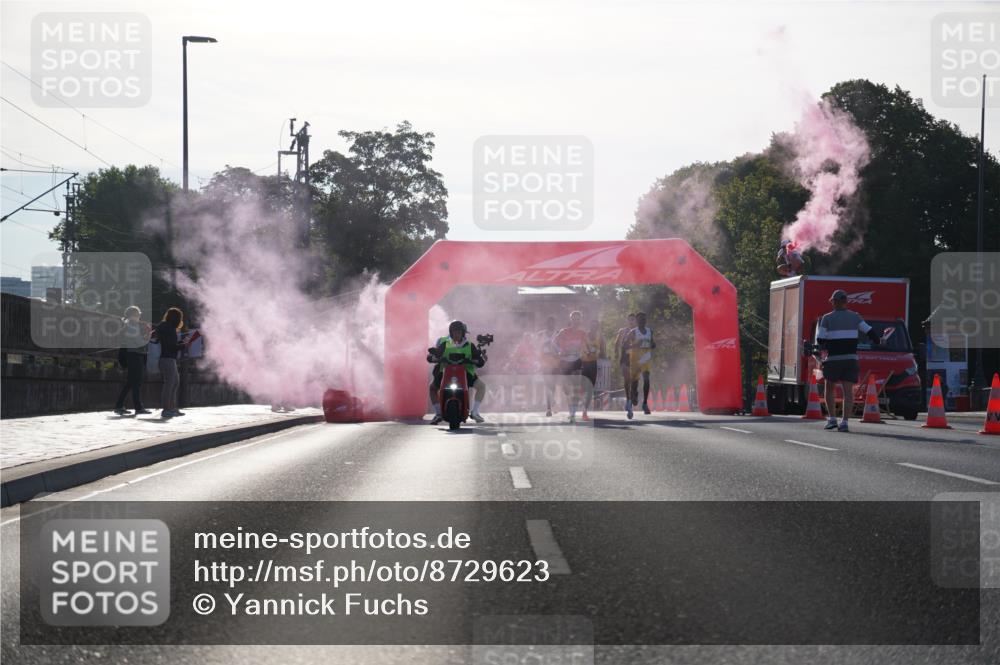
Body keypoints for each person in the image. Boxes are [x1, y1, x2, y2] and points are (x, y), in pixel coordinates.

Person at [817, 289, 882, 432]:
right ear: (846, 302)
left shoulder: (826, 318)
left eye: (833, 301)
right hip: (850, 359)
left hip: (833, 359)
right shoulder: (855, 317)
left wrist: (825, 344)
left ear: (834, 302)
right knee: (848, 391)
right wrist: (878, 340)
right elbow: (869, 331)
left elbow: (820, 339)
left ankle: (832, 419)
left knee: (829, 389)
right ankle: (845, 422)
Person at [428, 320, 486, 424]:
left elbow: (480, 361)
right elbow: (434, 355)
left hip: (467, 374)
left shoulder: (470, 345)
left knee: (481, 386)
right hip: (445, 373)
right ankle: (438, 413)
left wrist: (474, 360)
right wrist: (433, 358)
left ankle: (475, 412)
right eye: (454, 332)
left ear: (463, 333)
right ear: (451, 333)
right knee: (432, 388)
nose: (456, 334)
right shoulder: (445, 344)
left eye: (459, 332)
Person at [113, 306, 152, 416]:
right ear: (134, 314)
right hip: (134, 355)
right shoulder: (132, 325)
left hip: (132, 355)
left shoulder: (129, 325)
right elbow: (139, 342)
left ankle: (119, 406)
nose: (140, 315)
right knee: (136, 382)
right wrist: (148, 335)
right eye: (138, 313)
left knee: (130, 382)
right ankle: (138, 407)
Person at [554, 311, 588, 423]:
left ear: (580, 320)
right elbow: (554, 342)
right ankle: (570, 410)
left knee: (576, 387)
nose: (576, 321)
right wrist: (560, 351)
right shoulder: (564, 332)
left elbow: (585, 346)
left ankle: (573, 413)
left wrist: (583, 351)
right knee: (567, 389)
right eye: (574, 319)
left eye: (578, 319)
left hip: (576, 361)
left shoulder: (582, 333)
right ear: (571, 320)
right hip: (565, 362)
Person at [154, 307, 187, 419]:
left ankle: (172, 408)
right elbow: (171, 347)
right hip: (167, 359)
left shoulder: (165, 327)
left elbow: (169, 344)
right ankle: (167, 409)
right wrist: (184, 345)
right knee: (170, 384)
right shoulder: (170, 329)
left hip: (167, 359)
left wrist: (182, 342)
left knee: (174, 382)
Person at [623, 312, 656, 417]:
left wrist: (652, 344)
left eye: (644, 319)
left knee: (646, 379)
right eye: (640, 319)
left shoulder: (650, 331)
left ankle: (645, 403)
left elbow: (653, 344)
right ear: (637, 321)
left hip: (646, 359)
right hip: (635, 360)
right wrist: (635, 345)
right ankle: (634, 396)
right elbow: (625, 346)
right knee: (635, 384)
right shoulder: (633, 332)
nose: (643, 321)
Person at [579, 319, 606, 421]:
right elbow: (580, 348)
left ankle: (584, 412)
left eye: (596, 326)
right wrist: (586, 352)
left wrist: (604, 363)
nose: (594, 328)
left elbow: (603, 352)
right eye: (592, 326)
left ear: (597, 328)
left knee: (590, 390)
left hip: (594, 365)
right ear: (590, 327)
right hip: (584, 364)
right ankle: (581, 397)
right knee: (583, 388)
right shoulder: (584, 336)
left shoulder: (600, 338)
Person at [614, 313, 637, 410]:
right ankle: (628, 400)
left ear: (635, 321)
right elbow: (617, 343)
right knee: (627, 379)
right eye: (630, 319)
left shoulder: (638, 331)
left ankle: (633, 396)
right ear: (627, 321)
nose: (631, 321)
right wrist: (616, 352)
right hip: (624, 358)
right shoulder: (622, 331)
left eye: (633, 320)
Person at [537, 316, 560, 417]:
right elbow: (536, 348)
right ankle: (548, 409)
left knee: (553, 386)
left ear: (554, 324)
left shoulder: (558, 334)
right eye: (549, 323)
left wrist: (557, 352)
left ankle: (551, 403)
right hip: (545, 364)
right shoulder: (540, 334)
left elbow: (560, 348)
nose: (551, 324)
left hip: (555, 364)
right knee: (547, 386)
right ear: (546, 324)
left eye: (552, 322)